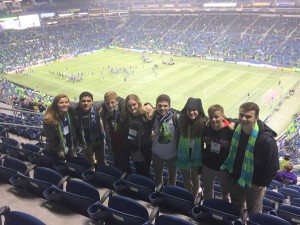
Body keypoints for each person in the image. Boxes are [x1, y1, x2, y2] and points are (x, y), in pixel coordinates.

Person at [221, 102, 279, 214]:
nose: (243, 119)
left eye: (248, 116)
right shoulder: (237, 128)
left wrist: (260, 183)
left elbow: (273, 167)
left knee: (254, 212)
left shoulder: (267, 140)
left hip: (254, 183)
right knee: (236, 207)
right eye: (241, 115)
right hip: (236, 178)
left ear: (256, 118)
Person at [202, 104, 234, 202]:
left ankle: (224, 212)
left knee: (225, 194)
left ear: (223, 117)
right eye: (211, 117)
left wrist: (232, 123)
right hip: (207, 166)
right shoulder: (206, 128)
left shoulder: (230, 131)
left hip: (223, 168)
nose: (214, 119)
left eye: (216, 116)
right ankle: (208, 209)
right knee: (207, 191)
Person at [176, 97, 206, 197]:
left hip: (196, 156)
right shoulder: (181, 120)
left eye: (194, 110)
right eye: (189, 110)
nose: (191, 112)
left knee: (195, 178)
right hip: (182, 154)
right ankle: (190, 193)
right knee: (185, 178)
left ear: (199, 111)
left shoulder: (204, 123)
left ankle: (194, 196)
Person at [151, 94, 180, 187]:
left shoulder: (176, 118)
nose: (162, 108)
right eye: (160, 106)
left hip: (172, 154)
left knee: (172, 178)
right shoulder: (152, 117)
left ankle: (170, 195)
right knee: (158, 177)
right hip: (156, 153)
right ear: (156, 106)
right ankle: (159, 194)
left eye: (165, 106)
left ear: (169, 106)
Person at [121, 94, 153, 177]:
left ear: (138, 104)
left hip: (146, 148)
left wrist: (152, 107)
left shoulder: (146, 114)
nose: (132, 108)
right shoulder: (125, 117)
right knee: (139, 169)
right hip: (134, 149)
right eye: (129, 106)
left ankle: (148, 186)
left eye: (134, 104)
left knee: (147, 169)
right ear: (126, 107)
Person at [72, 91, 106, 166]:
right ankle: (93, 167)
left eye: (88, 101)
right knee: (90, 159)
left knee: (101, 160)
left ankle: (101, 169)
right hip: (84, 141)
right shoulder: (74, 108)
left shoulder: (97, 106)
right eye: (83, 101)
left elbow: (113, 99)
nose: (86, 103)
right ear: (79, 102)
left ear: (92, 102)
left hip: (97, 140)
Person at [43, 94, 77, 160]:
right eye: (61, 103)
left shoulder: (70, 112)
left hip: (70, 144)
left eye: (66, 102)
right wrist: (59, 150)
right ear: (56, 104)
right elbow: (51, 139)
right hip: (56, 149)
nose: (64, 105)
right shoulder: (49, 119)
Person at [99, 91, 126, 171]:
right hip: (111, 143)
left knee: (124, 164)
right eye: (107, 103)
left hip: (122, 143)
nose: (110, 105)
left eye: (112, 102)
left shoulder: (122, 111)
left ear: (117, 102)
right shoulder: (103, 111)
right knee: (116, 162)